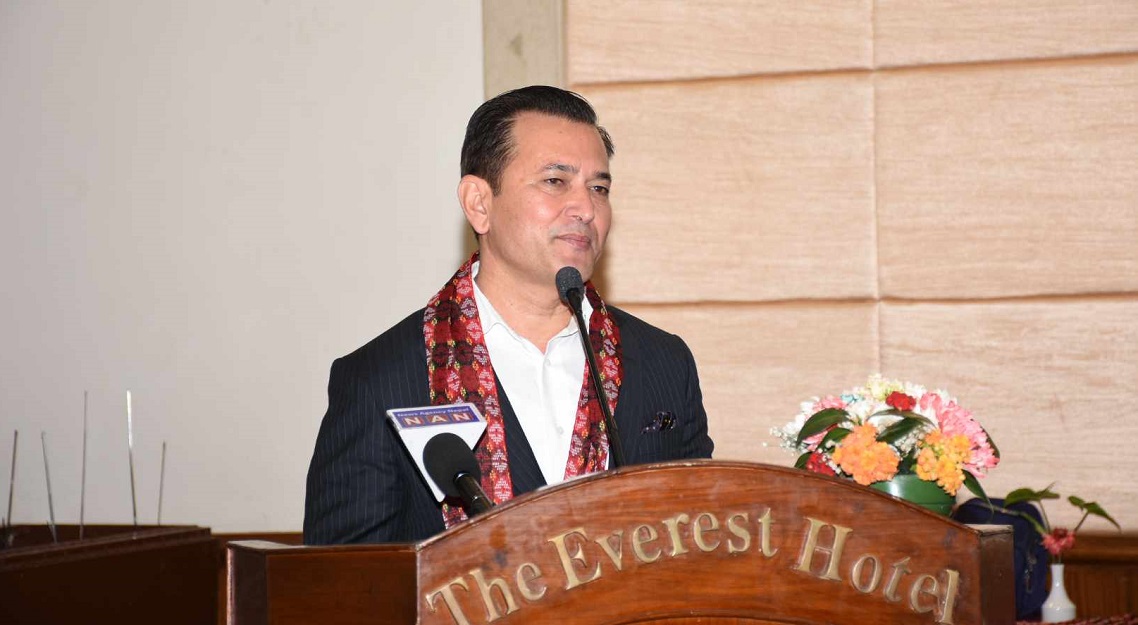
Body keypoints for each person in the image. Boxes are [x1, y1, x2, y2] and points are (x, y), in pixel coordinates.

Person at [303, 85, 714, 544]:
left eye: (599, 188)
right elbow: (346, 577)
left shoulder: (662, 362)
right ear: (479, 204)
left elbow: (699, 545)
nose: (586, 208)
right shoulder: (380, 380)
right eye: (555, 181)